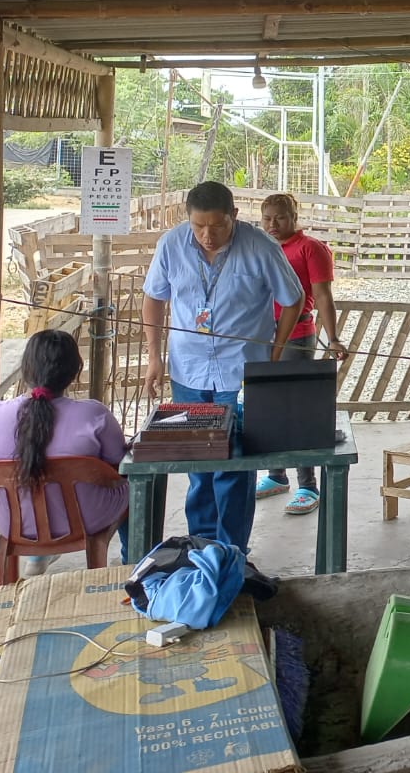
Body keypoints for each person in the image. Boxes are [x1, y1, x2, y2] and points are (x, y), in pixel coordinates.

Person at [142, 181, 303, 553]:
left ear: (235, 215)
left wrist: (275, 352)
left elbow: (292, 299)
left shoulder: (261, 247)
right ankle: (202, 545)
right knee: (197, 461)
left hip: (240, 371)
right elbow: (153, 298)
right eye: (199, 226)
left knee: (234, 462)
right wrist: (154, 356)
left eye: (217, 226)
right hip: (188, 369)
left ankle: (231, 551)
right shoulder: (171, 245)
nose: (207, 235)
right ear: (187, 218)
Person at [0, 330, 129, 562]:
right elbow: (120, 465)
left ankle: (37, 557)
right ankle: (135, 567)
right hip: (87, 519)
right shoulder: (94, 415)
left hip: (16, 524)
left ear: (25, 368)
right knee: (139, 484)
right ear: (75, 372)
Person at [255, 193, 350, 517]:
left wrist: (333, 338)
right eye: (267, 218)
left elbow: (323, 296)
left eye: (280, 218)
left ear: (294, 217)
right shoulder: (261, 247)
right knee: (268, 409)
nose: (273, 224)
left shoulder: (311, 248)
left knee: (297, 410)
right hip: (260, 338)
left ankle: (308, 485)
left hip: (297, 337)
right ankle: (276, 475)